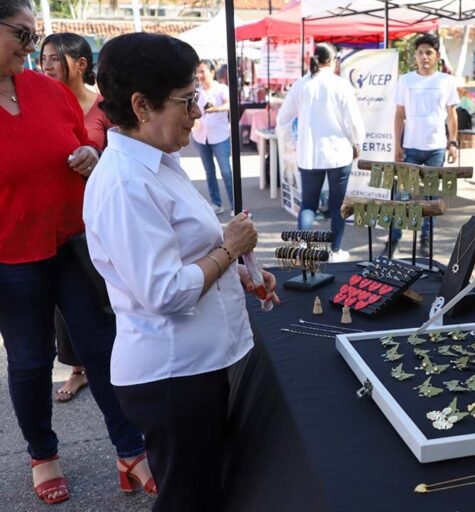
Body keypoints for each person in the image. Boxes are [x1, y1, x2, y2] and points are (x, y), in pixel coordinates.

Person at [85, 32, 279, 512]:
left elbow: (187, 248)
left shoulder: (158, 161)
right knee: (188, 499)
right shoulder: (125, 183)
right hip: (170, 375)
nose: (198, 112)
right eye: (187, 101)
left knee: (205, 487)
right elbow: (165, 291)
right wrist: (228, 251)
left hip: (195, 365)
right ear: (141, 105)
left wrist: (239, 271)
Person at [0, 0, 152, 505]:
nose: (32, 49)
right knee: (29, 360)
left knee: (102, 348)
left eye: (33, 37)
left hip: (72, 240)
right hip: (10, 256)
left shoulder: (47, 92)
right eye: (22, 36)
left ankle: (130, 450)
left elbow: (81, 140)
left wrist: (89, 153)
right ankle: (43, 455)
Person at [41, 32, 114, 403]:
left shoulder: (104, 107)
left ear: (81, 64)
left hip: (97, 216)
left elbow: (119, 159)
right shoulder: (43, 103)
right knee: (64, 300)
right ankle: (76, 367)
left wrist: (97, 160)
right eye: (44, 58)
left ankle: (112, 362)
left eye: (55, 58)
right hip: (57, 218)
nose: (46, 65)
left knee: (101, 293)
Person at [276, 42, 365, 262]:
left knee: (308, 205)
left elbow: (282, 120)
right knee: (337, 206)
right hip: (339, 153)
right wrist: (357, 143)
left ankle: (304, 251)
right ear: (334, 61)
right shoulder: (341, 85)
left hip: (309, 154)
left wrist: (295, 141)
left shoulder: (301, 85)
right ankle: (334, 251)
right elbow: (354, 122)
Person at [392, 33, 460, 256]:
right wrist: (397, 145)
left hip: (436, 148)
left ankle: (426, 239)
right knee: (403, 196)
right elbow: (399, 114)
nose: (424, 57)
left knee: (430, 197)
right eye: (420, 52)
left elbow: (451, 115)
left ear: (437, 56)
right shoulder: (406, 80)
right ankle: (393, 241)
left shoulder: (446, 81)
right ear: (415, 56)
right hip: (410, 147)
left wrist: (452, 142)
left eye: (428, 52)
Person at [192, 59, 234, 216]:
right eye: (198, 72)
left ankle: (235, 205)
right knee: (209, 171)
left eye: (202, 71)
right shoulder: (196, 91)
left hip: (219, 136)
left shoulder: (221, 89)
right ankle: (216, 203)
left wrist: (216, 109)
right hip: (200, 136)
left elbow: (230, 104)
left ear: (212, 72)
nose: (199, 75)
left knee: (226, 171)